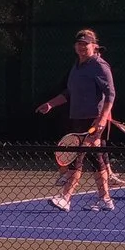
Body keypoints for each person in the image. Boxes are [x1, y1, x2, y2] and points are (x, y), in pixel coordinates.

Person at [34, 28, 116, 211]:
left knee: (76, 158)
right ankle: (105, 199)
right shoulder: (77, 66)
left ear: (94, 46)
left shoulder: (100, 65)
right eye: (79, 44)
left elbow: (110, 95)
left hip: (93, 121)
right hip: (77, 118)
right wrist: (51, 104)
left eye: (85, 44)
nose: (81, 47)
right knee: (96, 159)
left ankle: (65, 198)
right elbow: (69, 93)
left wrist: (101, 121)